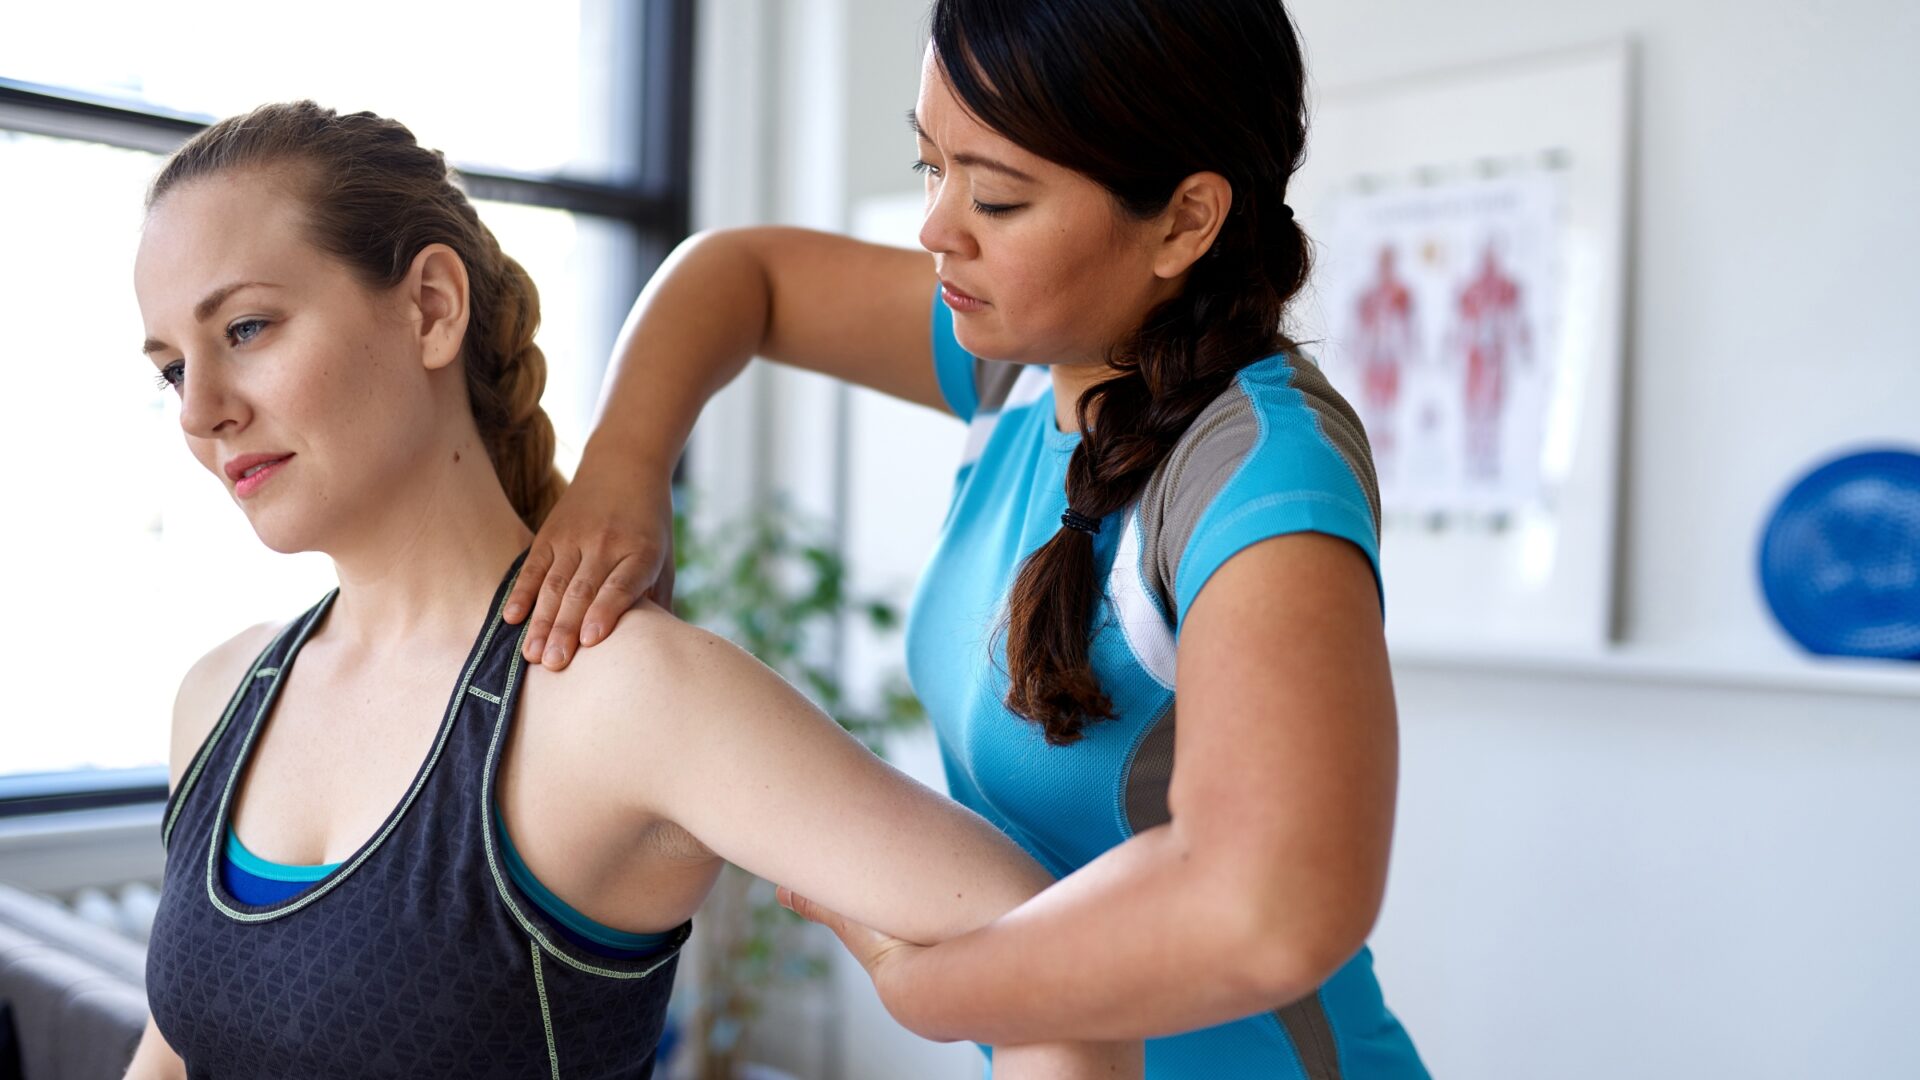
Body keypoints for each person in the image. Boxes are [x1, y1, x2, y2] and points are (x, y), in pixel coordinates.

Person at [504, 0, 1432, 1075]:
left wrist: (930, 988)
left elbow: (1277, 909)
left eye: (995, 194)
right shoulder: (1027, 364)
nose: (937, 226)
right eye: (929, 166)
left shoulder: (1262, 473)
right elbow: (740, 276)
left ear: (1185, 220)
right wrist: (625, 468)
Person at [120, 101, 1137, 1080]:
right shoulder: (219, 698)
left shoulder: (618, 694)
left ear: (430, 308)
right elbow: (180, 1050)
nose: (201, 410)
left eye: (246, 329)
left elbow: (1053, 968)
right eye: (171, 369)